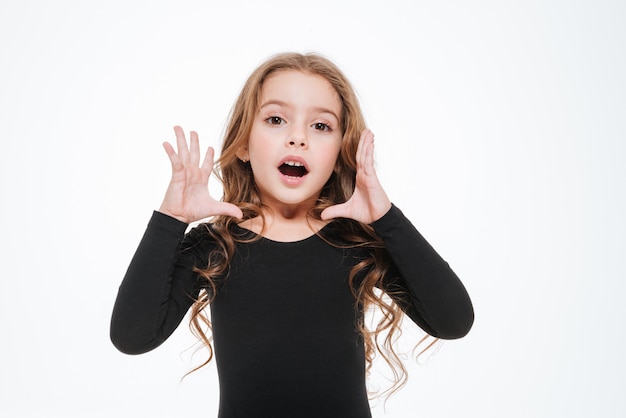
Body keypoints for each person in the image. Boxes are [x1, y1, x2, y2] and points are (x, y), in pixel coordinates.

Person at [110, 52, 474, 418]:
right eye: (276, 119)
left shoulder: (356, 244)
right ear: (244, 146)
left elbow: (453, 321)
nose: (298, 138)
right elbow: (131, 336)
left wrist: (386, 218)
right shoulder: (214, 247)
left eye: (320, 126)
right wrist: (170, 220)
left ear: (339, 155)